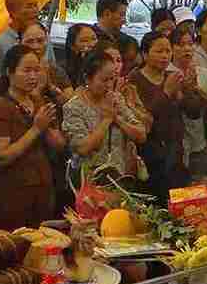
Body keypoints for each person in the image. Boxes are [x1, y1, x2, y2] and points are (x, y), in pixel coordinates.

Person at [0, 49, 64, 230]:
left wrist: (46, 127)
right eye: (26, 70)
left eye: (37, 70)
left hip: (42, 188)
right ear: (9, 72)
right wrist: (36, 128)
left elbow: (59, 145)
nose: (33, 76)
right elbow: (3, 156)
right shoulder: (1, 107)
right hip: (12, 193)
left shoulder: (40, 103)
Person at [128, 32, 202, 203]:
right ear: (145, 54)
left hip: (175, 154)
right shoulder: (134, 80)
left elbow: (193, 113)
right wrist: (166, 93)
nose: (164, 56)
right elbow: (142, 118)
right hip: (149, 156)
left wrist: (190, 90)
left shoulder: (173, 76)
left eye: (168, 51)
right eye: (159, 51)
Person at [63, 47, 147, 192]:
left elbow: (141, 135)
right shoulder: (73, 107)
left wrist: (118, 120)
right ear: (88, 78)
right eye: (103, 80)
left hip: (120, 178)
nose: (109, 85)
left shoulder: (116, 99)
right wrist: (106, 120)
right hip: (89, 184)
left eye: (112, 79)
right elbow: (83, 148)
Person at [171, 22, 207, 180]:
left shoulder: (202, 73)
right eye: (181, 44)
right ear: (171, 48)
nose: (187, 48)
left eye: (190, 44)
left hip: (199, 142)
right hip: (176, 145)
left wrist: (196, 90)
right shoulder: (167, 74)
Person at [0, 0, 41, 81]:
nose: (35, 10)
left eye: (35, 5)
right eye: (29, 6)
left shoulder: (43, 36)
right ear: (13, 12)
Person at [61, 23, 101, 90]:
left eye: (94, 39)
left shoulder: (104, 63)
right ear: (72, 46)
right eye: (84, 41)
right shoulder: (63, 70)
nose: (92, 44)